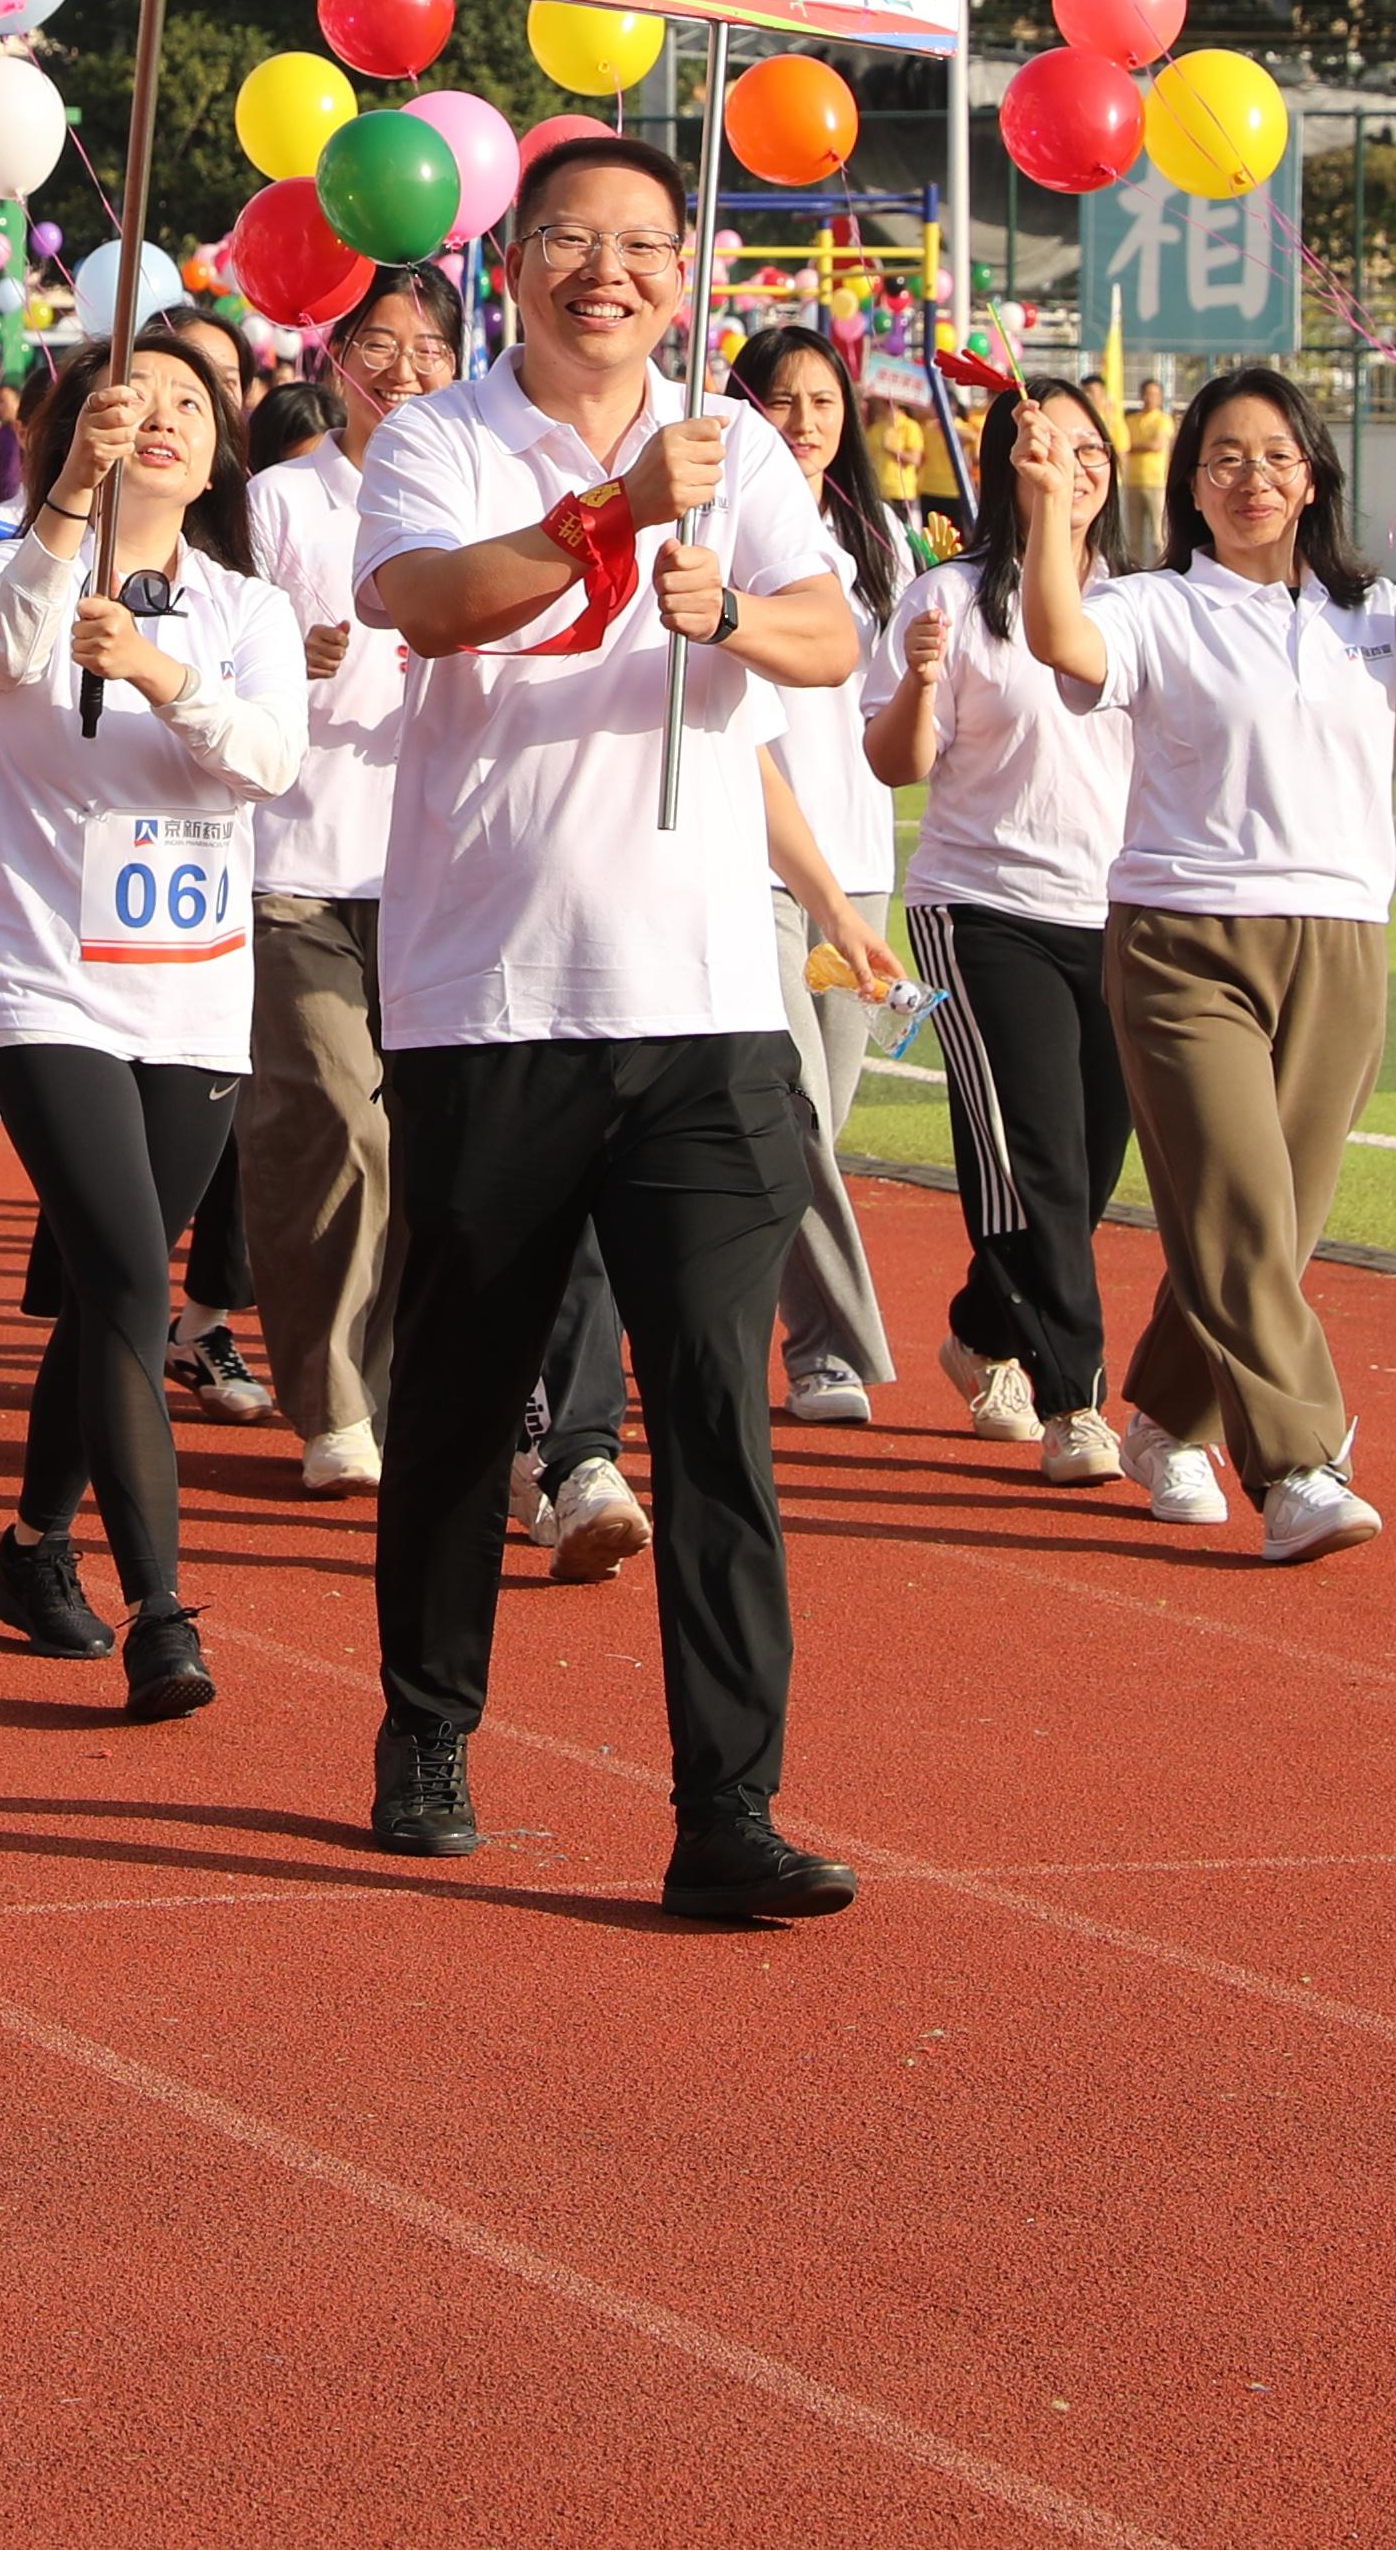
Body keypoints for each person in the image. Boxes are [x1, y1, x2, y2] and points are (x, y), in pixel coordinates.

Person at [348, 132, 867, 1924]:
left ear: (682, 271)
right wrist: (615, 516)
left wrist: (731, 599)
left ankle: (730, 1805)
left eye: (643, 244)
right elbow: (425, 607)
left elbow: (832, 635)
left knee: (716, 1411)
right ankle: (428, 1728)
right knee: (467, 1383)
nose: (609, 271)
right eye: (572, 237)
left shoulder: (733, 449)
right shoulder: (436, 437)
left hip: (711, 1008)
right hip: (494, 1001)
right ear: (518, 262)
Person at [1011, 362, 1396, 1562]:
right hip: (1183, 941)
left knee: (1275, 1226)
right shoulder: (1153, 603)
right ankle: (1300, 1465)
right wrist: (1044, 512)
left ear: (1313, 476)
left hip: (1339, 939)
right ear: (1190, 479)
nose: (1252, 478)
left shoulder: (1365, 608)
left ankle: (1168, 1412)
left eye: (1277, 456)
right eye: (1226, 457)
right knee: (1237, 1199)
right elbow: (1060, 637)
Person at [0, 318, 301, 1719]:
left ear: (217, 450)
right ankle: (162, 1607)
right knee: (134, 1285)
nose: (158, 417)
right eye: (128, 398)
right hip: (47, 982)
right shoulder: (25, 561)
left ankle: (32, 1546)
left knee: (113, 1288)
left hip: (196, 995)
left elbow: (269, 763)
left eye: (188, 404)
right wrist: (67, 511)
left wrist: (165, 673)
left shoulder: (244, 612)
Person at [871, 380, 1140, 1483]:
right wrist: (923, 684)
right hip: (984, 909)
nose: (1071, 467)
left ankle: (985, 1330)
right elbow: (896, 761)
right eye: (1045, 445)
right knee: (1034, 1159)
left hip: (1119, 915)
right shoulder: (950, 596)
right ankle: (1075, 1396)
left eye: (1091, 450)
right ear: (1004, 464)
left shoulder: (1140, 602)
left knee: (1095, 1157)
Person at [231, 264, 449, 1492]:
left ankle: (400, 1371)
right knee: (330, 1122)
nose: (402, 370)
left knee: (423, 1147)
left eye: (426, 349)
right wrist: (291, 659)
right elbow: (217, 652)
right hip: (298, 866)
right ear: (334, 358)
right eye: (378, 346)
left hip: (441, 870)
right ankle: (330, 1399)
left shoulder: (477, 498)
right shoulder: (280, 499)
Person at [725, 325, 908, 1427]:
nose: (803, 421)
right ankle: (833, 1349)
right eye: (781, 400)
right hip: (754, 862)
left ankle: (721, 1304)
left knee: (818, 1124)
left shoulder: (879, 535)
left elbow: (888, 706)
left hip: (862, 864)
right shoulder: (727, 527)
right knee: (789, 1106)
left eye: (822, 401)